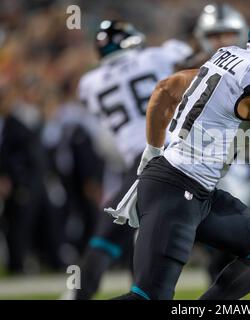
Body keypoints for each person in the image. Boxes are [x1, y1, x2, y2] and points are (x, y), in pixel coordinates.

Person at [110, 4, 250, 300]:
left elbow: (164, 89)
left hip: (196, 189)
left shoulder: (229, 55)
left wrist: (152, 149)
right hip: (177, 190)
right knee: (149, 298)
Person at [63, 20, 192, 299]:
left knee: (110, 236)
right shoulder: (158, 56)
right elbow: (190, 56)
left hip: (142, 159)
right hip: (169, 153)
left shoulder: (89, 83)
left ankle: (80, 294)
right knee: (134, 232)